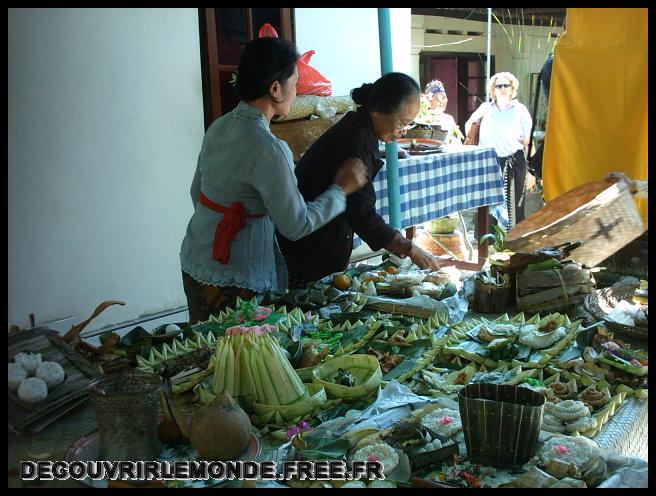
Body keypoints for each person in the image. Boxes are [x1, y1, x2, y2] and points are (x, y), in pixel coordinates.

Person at [179, 37, 367, 323]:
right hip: (235, 277)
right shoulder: (269, 148)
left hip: (195, 257)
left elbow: (197, 193)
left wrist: (226, 221)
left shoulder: (221, 125)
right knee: (239, 359)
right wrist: (340, 190)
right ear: (275, 88)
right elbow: (296, 225)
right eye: (295, 82)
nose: (297, 90)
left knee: (203, 349)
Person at [276, 72, 459, 289]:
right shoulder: (351, 140)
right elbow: (362, 214)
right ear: (376, 111)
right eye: (403, 122)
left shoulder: (362, 129)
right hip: (310, 245)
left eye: (409, 124)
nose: (403, 131)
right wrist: (411, 249)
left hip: (324, 238)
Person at [464, 72, 533, 228]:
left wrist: (531, 172)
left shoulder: (520, 109)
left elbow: (528, 142)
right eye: (498, 85)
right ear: (493, 90)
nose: (502, 88)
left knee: (515, 205)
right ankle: (488, 244)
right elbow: (469, 128)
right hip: (489, 163)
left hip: (514, 162)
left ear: (512, 89)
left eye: (506, 85)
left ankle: (513, 243)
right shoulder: (484, 108)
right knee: (487, 205)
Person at [415, 80, 464, 145]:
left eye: (444, 97)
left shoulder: (448, 118)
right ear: (429, 100)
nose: (444, 101)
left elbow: (457, 143)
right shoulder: (420, 118)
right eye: (438, 99)